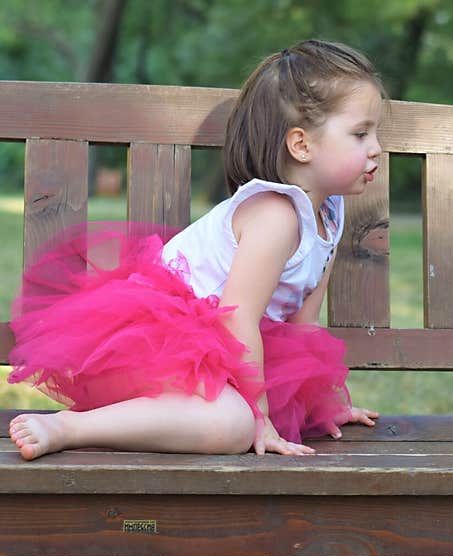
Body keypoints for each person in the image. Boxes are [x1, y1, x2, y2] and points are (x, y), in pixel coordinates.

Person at [7, 39, 383, 460]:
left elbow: (302, 326)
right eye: (360, 133)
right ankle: (67, 427)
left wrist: (323, 403)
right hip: (151, 346)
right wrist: (259, 414)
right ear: (301, 145)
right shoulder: (275, 216)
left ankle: (185, 414)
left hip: (214, 354)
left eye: (375, 133)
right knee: (236, 425)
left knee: (237, 417)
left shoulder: (329, 213)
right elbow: (238, 322)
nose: (376, 148)